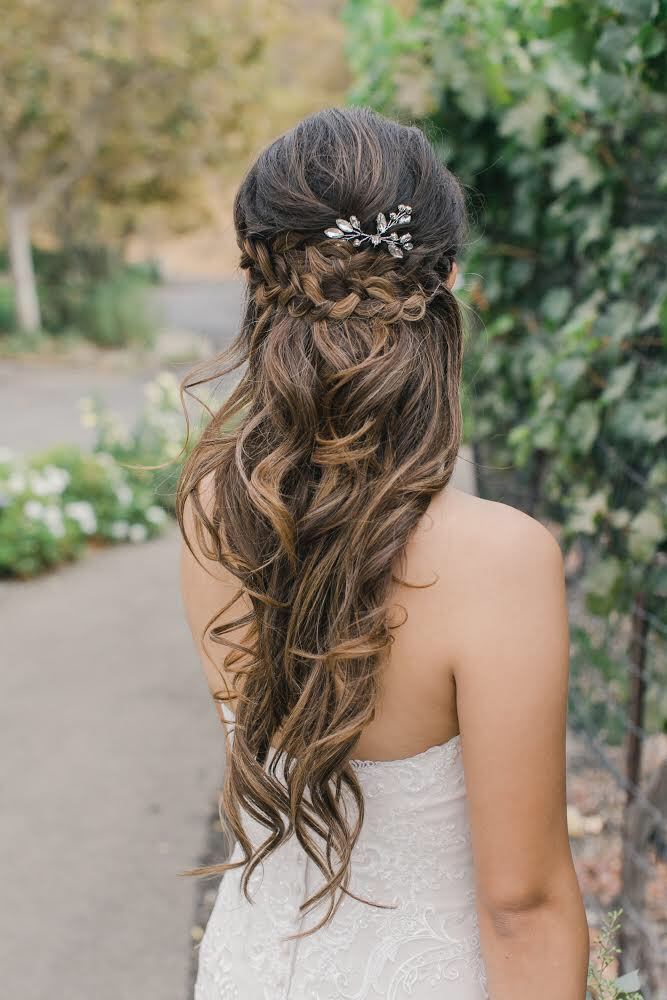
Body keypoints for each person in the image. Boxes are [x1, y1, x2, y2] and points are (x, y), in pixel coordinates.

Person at [177, 106, 590, 999]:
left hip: (250, 971)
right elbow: (520, 902)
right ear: (445, 274)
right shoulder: (500, 559)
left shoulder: (215, 510)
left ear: (257, 274)